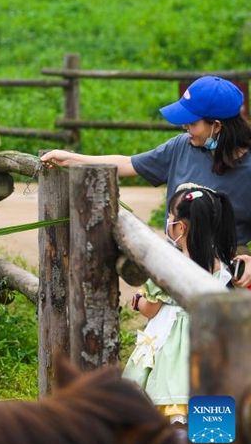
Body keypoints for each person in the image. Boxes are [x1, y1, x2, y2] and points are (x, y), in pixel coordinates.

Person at [40, 75, 251, 286]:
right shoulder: (181, 146)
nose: (185, 127)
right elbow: (129, 164)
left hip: (226, 276)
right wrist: (71, 158)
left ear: (217, 126)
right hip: (177, 265)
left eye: (193, 122)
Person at [123, 184, 236, 433]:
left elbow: (151, 308)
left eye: (170, 218)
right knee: (211, 428)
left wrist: (138, 300)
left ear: (180, 228)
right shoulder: (222, 269)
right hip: (211, 358)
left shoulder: (168, 266)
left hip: (171, 357)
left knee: (168, 421)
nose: (168, 222)